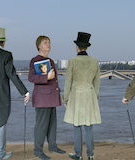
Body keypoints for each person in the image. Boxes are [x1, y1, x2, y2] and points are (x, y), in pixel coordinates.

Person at [0, 27, 31, 160]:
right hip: (1, 96)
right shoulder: (6, 55)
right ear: (3, 42)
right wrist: (25, 92)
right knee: (1, 124)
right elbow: (13, 75)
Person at [62, 32, 101, 160]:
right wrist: (94, 96)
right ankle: (90, 154)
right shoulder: (94, 61)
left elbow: (68, 82)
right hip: (89, 95)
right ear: (87, 47)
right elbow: (97, 82)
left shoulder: (72, 61)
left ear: (77, 47)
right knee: (89, 127)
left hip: (76, 96)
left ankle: (78, 154)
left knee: (77, 126)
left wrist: (65, 98)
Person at [28, 35, 66, 160]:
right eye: (45, 43)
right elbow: (31, 78)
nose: (48, 44)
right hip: (42, 99)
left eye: (49, 42)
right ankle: (38, 151)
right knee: (41, 126)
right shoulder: (35, 60)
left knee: (52, 125)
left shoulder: (50, 60)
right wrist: (46, 78)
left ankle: (53, 146)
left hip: (51, 97)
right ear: (39, 46)